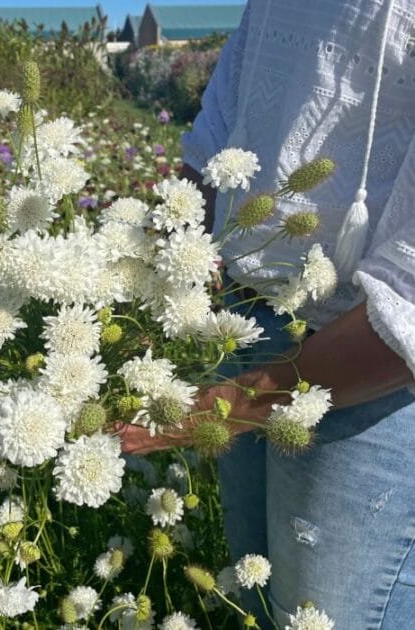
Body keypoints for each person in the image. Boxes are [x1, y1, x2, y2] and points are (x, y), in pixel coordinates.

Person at [117, 1, 415, 628]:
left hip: (372, 362)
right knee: (254, 596)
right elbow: (229, 122)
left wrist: (216, 409)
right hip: (245, 317)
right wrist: (151, 281)